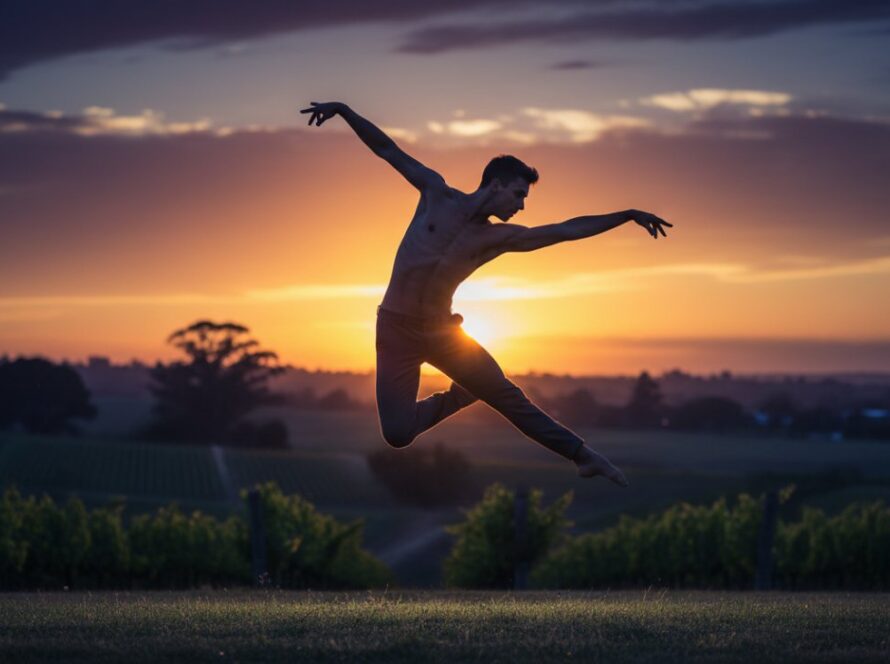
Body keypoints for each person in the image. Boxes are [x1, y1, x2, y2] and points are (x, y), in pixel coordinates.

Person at [300, 101, 672, 486]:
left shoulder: (500, 238)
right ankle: (463, 394)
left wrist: (626, 214)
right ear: (495, 184)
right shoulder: (435, 193)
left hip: (443, 333)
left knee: (509, 398)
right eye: (518, 194)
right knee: (397, 435)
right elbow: (387, 149)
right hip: (395, 330)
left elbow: (566, 229)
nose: (521, 205)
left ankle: (583, 455)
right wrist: (344, 110)